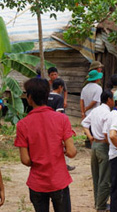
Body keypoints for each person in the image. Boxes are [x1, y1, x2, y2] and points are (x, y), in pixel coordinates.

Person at [14, 78, 77, 212]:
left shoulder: (22, 125)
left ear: (29, 97)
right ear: (47, 96)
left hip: (37, 183)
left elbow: (25, 160)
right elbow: (71, 152)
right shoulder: (62, 119)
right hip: (59, 180)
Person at [82, 90, 114, 212]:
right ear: (109, 100)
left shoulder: (95, 110)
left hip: (95, 145)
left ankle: (98, 202)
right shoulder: (108, 113)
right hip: (103, 145)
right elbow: (106, 133)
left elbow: (84, 123)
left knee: (96, 176)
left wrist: (90, 137)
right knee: (105, 178)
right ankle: (101, 205)